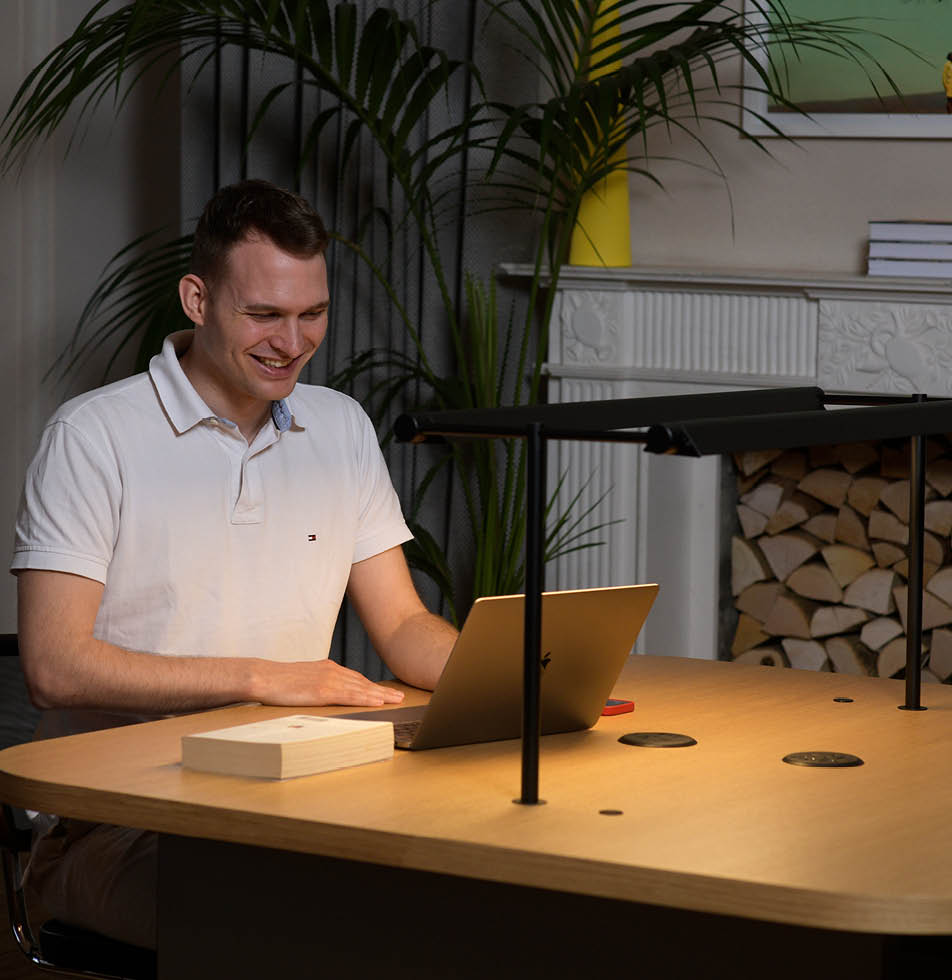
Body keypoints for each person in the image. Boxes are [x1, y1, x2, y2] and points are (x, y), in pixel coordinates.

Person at [10, 179, 458, 949]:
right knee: (320, 924)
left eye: (311, 314)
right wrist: (264, 677)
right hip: (120, 823)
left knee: (472, 892)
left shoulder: (341, 427)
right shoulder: (93, 437)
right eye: (265, 316)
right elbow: (54, 667)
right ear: (196, 299)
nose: (292, 343)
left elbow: (406, 623)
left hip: (300, 797)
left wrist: (511, 673)